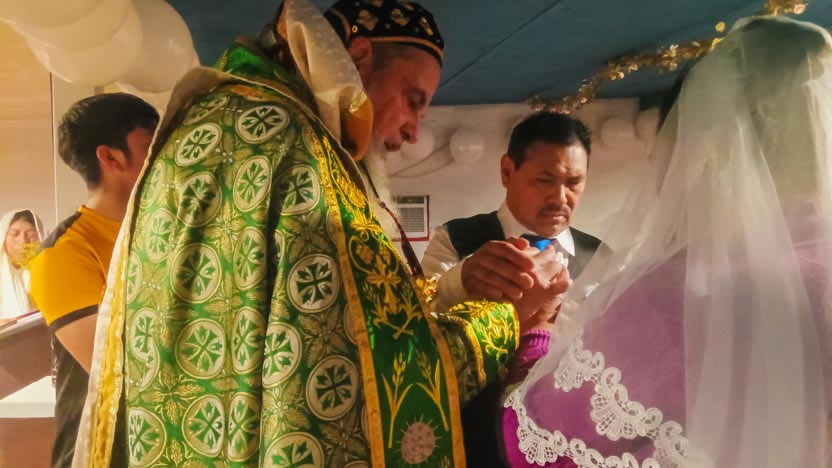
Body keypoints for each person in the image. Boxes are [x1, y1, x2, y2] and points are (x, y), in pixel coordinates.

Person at [72, 1, 567, 467]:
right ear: (360, 57)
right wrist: (508, 315)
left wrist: (457, 285)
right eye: (413, 101)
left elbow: (328, 313)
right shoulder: (299, 153)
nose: (414, 130)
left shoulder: (212, 119)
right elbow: (364, 379)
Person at [500, 16, 831, 468]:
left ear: (705, 150)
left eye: (574, 182)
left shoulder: (683, 291)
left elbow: (534, 443)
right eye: (544, 180)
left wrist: (536, 331)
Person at [421, 112, 606, 466]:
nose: (560, 197)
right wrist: (461, 281)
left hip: (561, 446)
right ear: (507, 171)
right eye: (545, 180)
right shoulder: (456, 240)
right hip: (472, 440)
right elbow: (420, 331)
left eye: (574, 182)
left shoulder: (602, 259)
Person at [28, 93, 159, 468]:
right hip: (105, 451)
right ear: (111, 157)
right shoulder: (64, 252)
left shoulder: (162, 232)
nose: (166, 158)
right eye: (151, 146)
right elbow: (114, 371)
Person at [0, 209, 44, 320]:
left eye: (31, 235)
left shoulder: (48, 271)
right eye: (15, 234)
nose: (23, 241)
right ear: (3, 237)